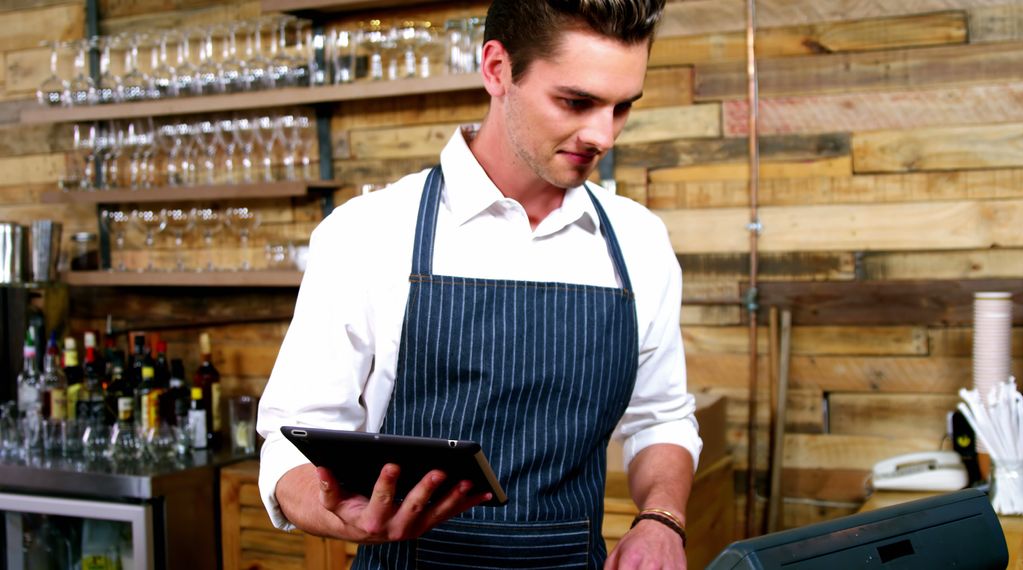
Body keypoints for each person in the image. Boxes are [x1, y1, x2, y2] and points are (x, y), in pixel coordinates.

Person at [257, 0, 702, 567]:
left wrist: (662, 519)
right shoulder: (367, 233)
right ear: (497, 69)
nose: (602, 135)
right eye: (576, 102)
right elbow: (294, 438)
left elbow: (660, 416)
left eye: (621, 108)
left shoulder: (638, 241)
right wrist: (333, 512)